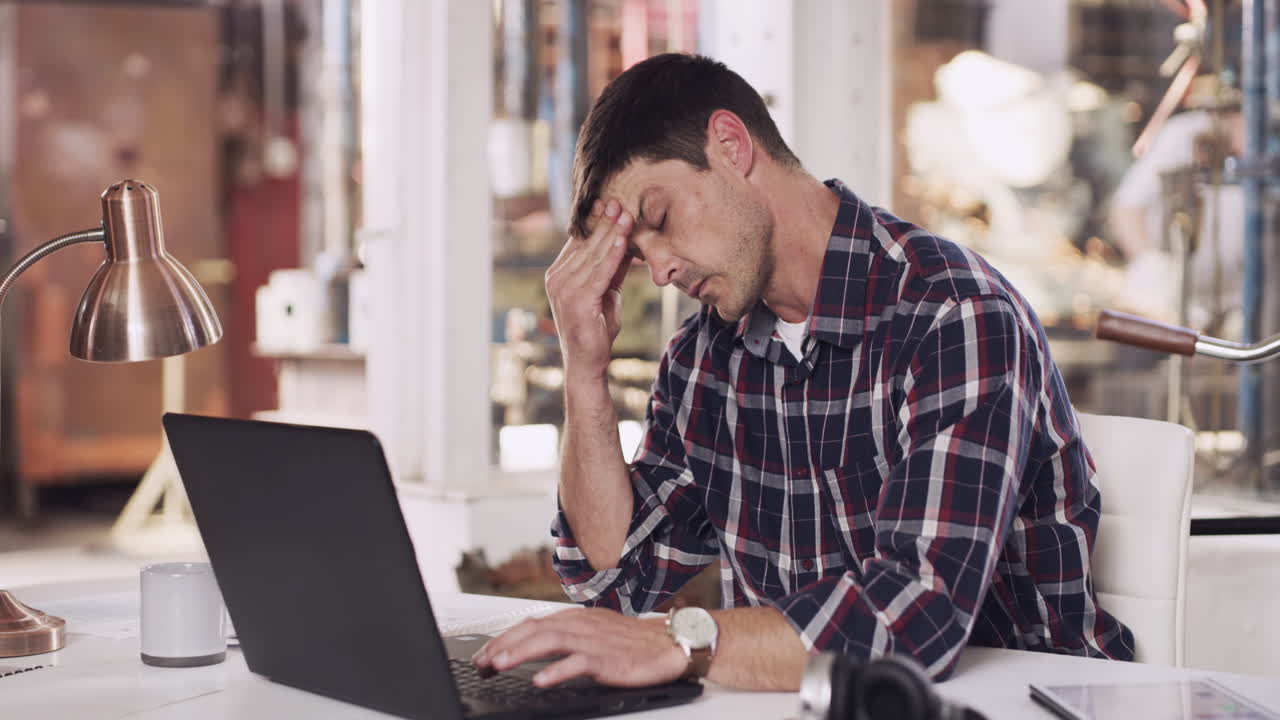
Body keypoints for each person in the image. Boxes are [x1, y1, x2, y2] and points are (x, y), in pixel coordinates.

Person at [472, 53, 1134, 692]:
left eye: (661, 219)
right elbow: (612, 581)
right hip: (800, 702)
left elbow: (912, 621)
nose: (664, 269)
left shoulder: (951, 316)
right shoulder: (703, 357)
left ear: (731, 145)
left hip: (1013, 703)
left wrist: (681, 641)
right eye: (639, 257)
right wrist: (585, 370)